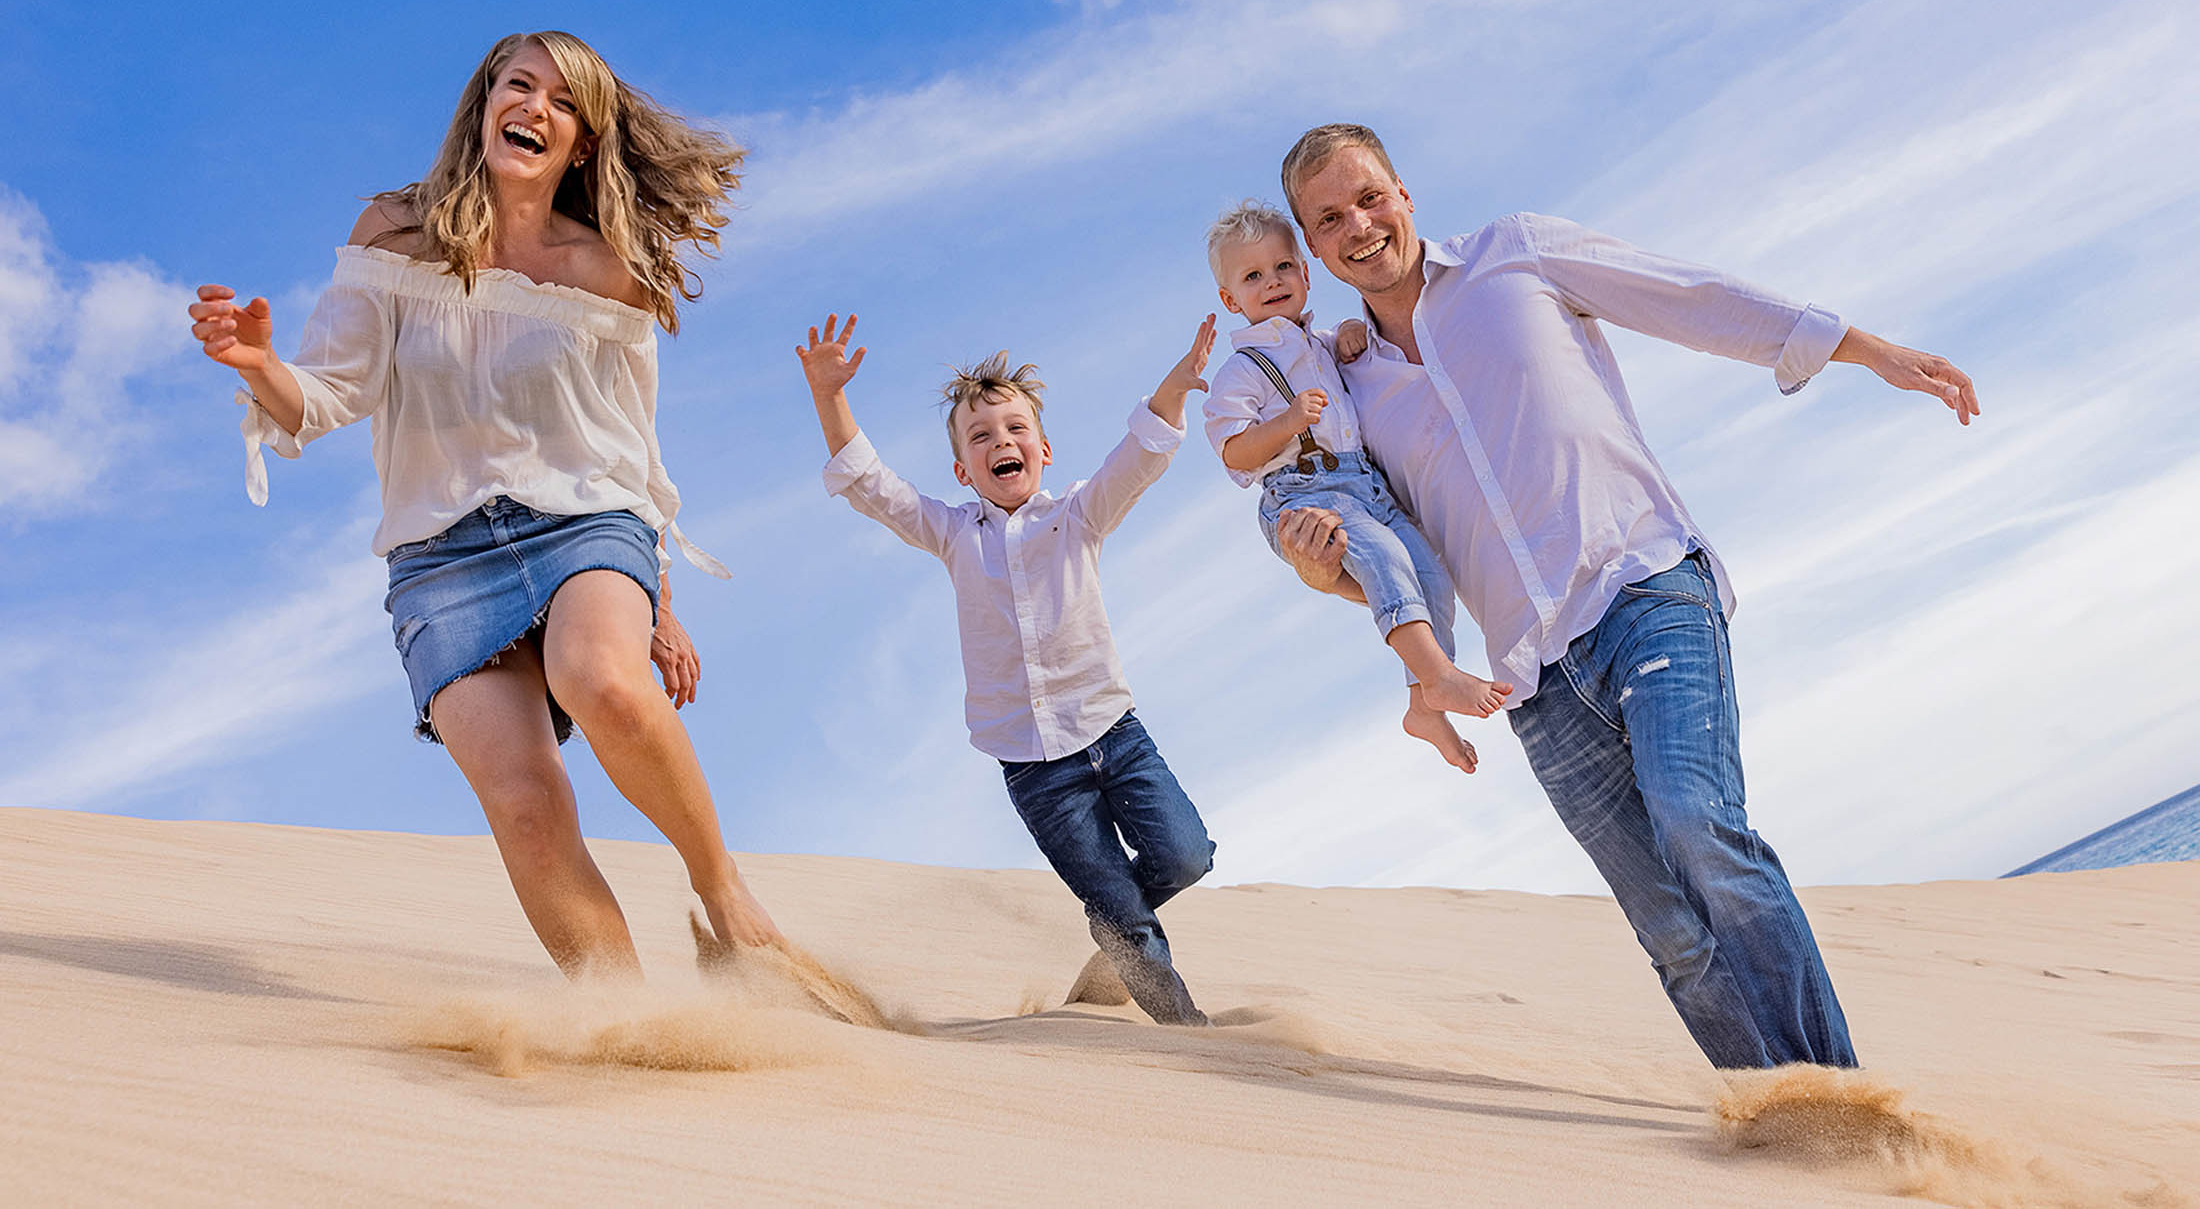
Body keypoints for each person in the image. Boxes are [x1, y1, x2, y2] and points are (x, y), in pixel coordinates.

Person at [1272, 123, 1979, 1069]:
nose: (1358, 225)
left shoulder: (1512, 255)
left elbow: (1685, 295)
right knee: (1673, 936)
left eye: (1369, 198)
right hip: (1535, 679)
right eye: (1329, 219)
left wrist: (1862, 348)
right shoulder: (1342, 390)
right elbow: (1397, 552)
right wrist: (1324, 566)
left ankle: (1848, 1110)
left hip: (1643, 586)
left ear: (1404, 193)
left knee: (1700, 824)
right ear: (1311, 249)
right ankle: (1779, 1126)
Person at [186, 31, 783, 981]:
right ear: (484, 104)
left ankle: (725, 897)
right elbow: (330, 393)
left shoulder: (612, 268)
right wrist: (261, 366)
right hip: (439, 560)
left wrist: (660, 600)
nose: (535, 107)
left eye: (561, 100)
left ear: (583, 142)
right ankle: (626, 1022)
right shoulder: (394, 234)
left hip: (584, 522)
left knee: (604, 680)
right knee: (526, 803)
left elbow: (631, 447)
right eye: (519, 85)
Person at [799, 312, 1219, 1025]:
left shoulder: (1077, 518)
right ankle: (1187, 1033)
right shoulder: (954, 533)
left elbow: (1139, 458)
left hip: (1115, 736)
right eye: (981, 436)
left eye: (1015, 429)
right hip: (1034, 769)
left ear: (1044, 450)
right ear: (964, 470)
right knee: (1122, 914)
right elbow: (871, 485)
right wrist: (828, 395)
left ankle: (1120, 931)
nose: (1001, 442)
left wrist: (1177, 384)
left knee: (1185, 858)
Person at [1200, 199, 1509, 770]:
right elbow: (1234, 452)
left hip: (1367, 490)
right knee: (1389, 561)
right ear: (1230, 300)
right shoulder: (1242, 369)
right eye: (1252, 277)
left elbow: (1348, 370)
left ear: (1306, 271)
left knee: (1432, 574)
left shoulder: (1319, 344)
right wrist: (1289, 421)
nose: (1272, 283)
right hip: (1304, 494)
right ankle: (1439, 674)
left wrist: (1346, 333)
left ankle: (1423, 704)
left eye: (1283, 267)